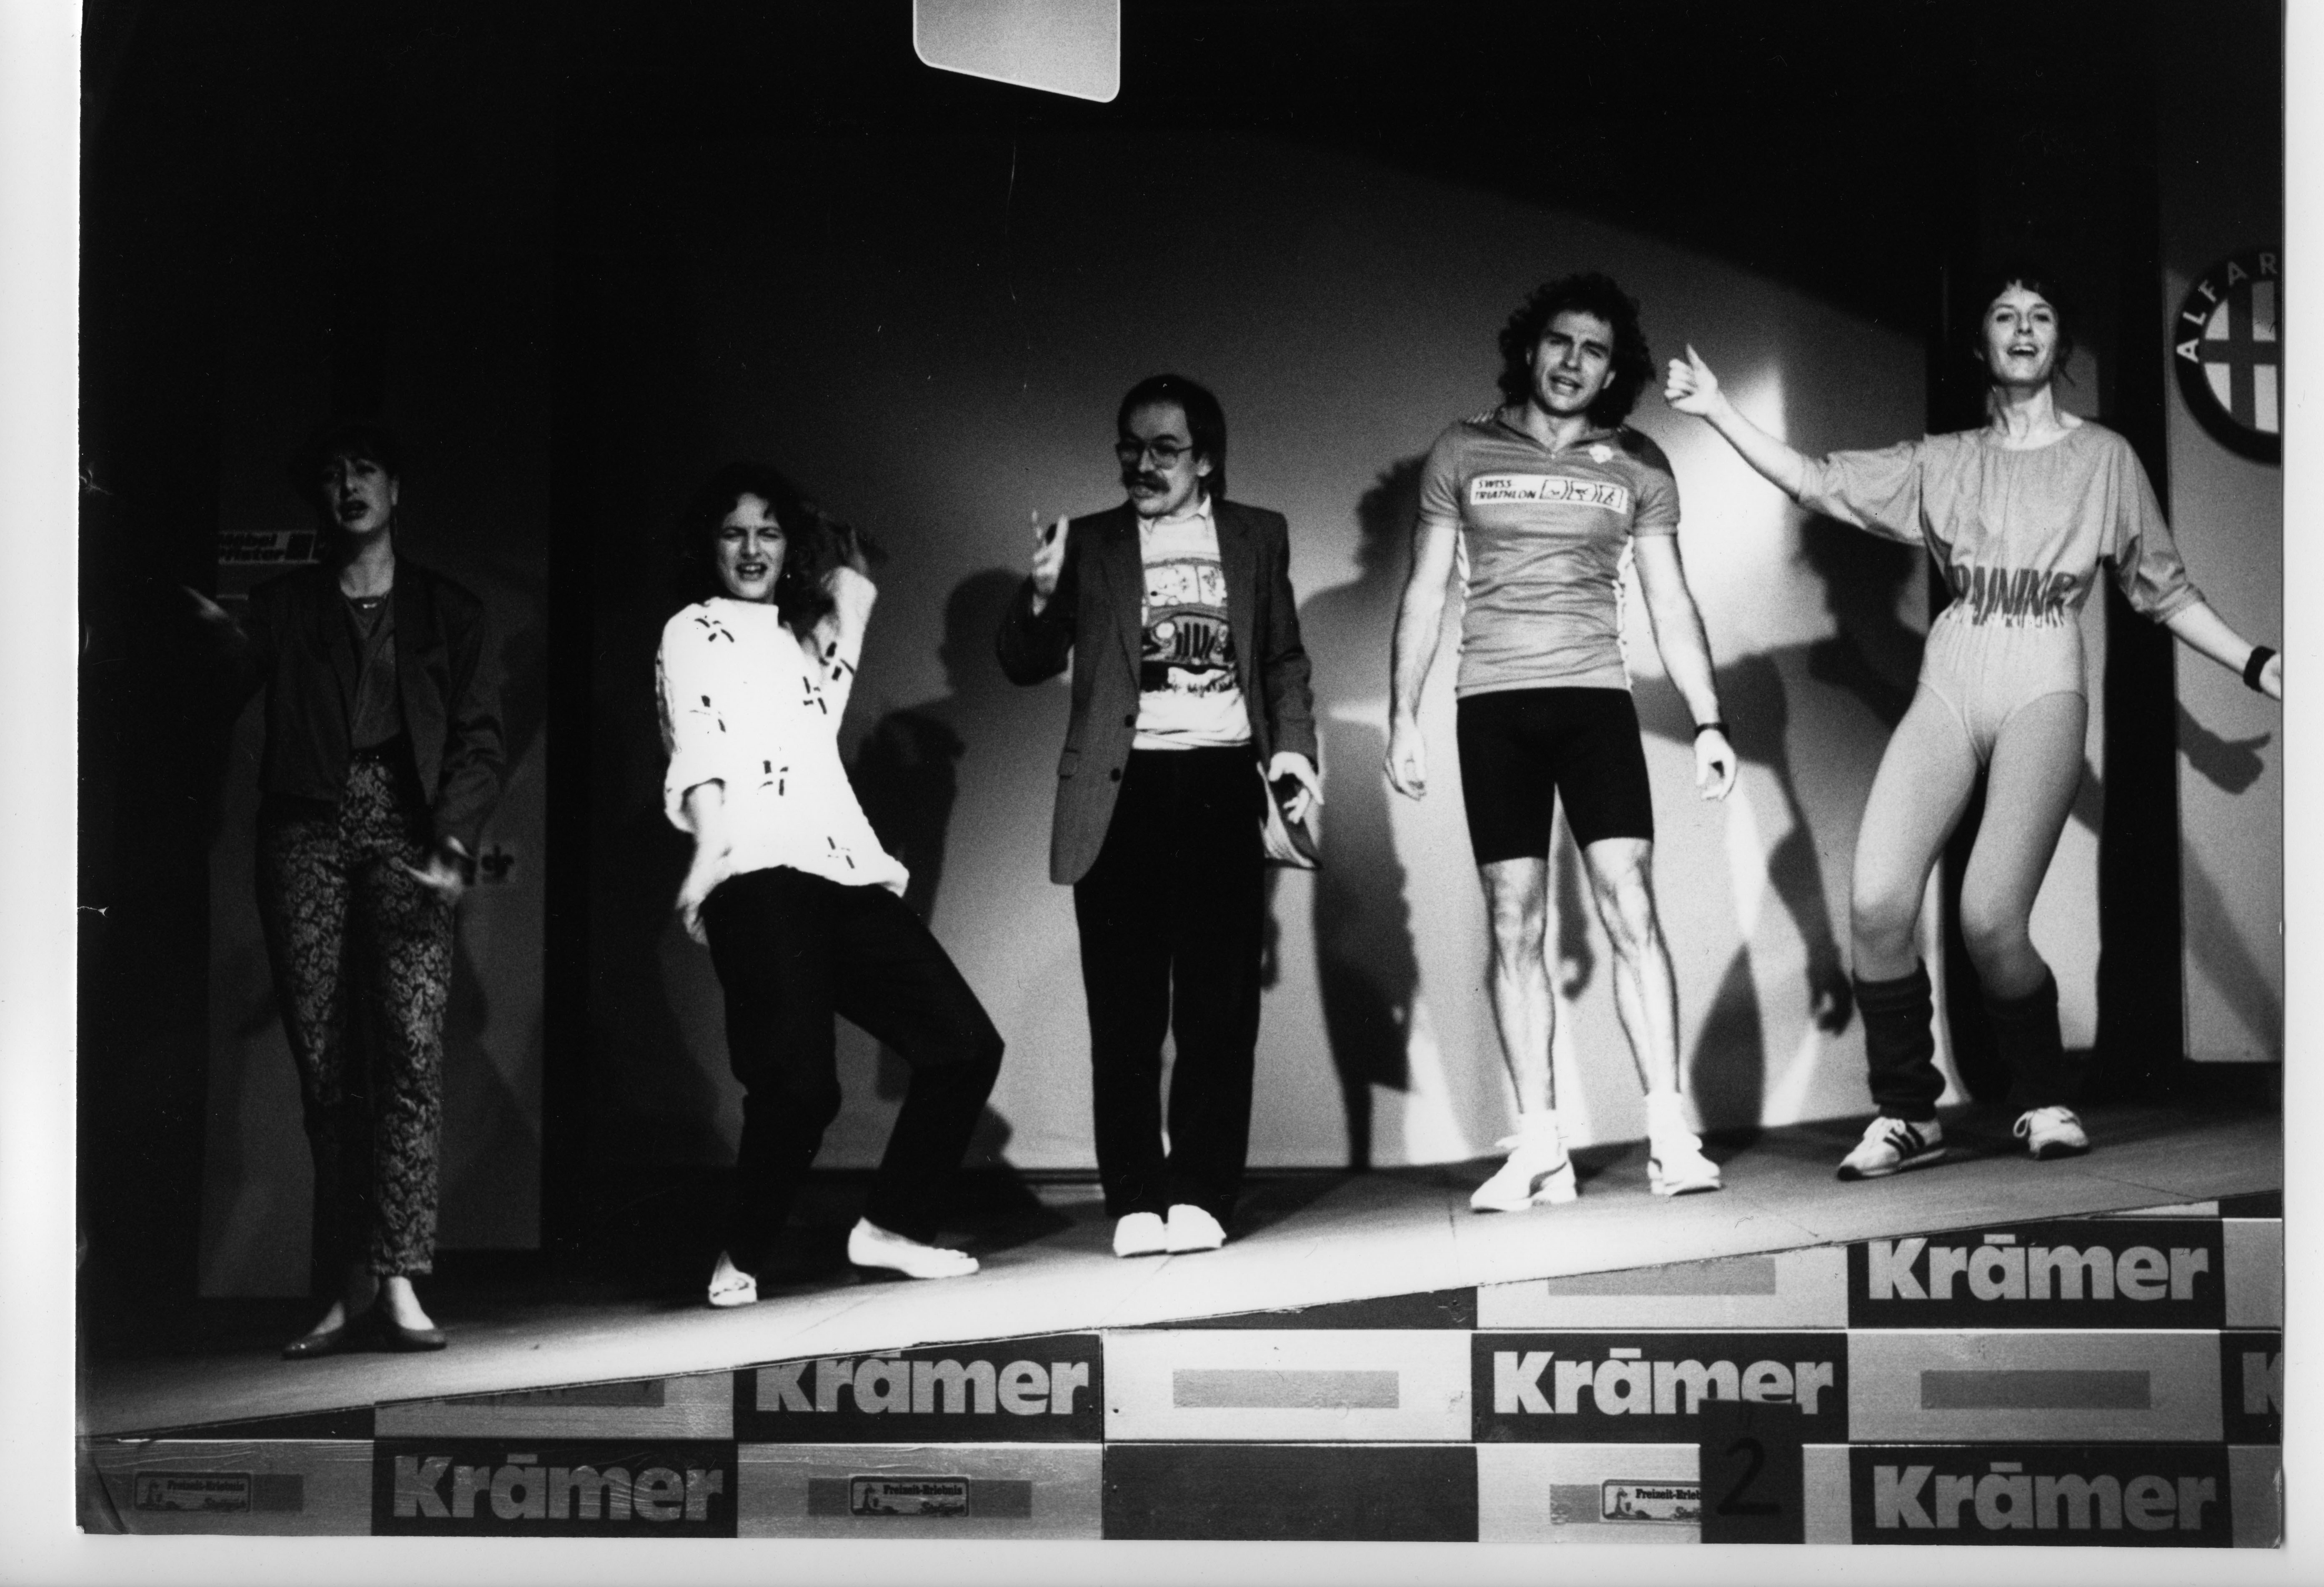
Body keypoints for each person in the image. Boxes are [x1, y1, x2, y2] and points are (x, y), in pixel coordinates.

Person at [1664, 266, 2283, 1178]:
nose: (2023, 328)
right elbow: (1816, 480)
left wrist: (2259, 664)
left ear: (2059, 343)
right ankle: (1908, 1114)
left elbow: (2164, 590)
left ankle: (2042, 1097)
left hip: (2042, 683)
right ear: (1982, 343)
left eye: (2041, 315)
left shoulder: (2105, 458)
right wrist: (1719, 410)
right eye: (2004, 315)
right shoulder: (1942, 461)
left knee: (1990, 917)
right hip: (1950, 680)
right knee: (1876, 905)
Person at [1387, 273, 1735, 1211]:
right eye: (1559, 341)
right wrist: (1402, 717)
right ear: (1529, 347)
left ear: (1613, 370)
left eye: (1594, 349)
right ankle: (1540, 1146)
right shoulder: (1461, 448)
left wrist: (1708, 719)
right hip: (1492, 706)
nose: (1572, 362)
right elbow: (1424, 592)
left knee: (1631, 906)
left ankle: (1670, 1135)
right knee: (1514, 921)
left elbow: (1670, 601)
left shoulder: (1638, 463)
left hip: (1593, 703)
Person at [192, 422, 504, 1357]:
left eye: (364, 468)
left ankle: (398, 1279)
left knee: (409, 1057)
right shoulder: (283, 605)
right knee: (328, 1071)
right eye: (331, 474)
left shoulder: (448, 610)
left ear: (395, 490)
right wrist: (216, 643)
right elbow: (221, 694)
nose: (348, 484)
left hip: (409, 831)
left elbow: (478, 740)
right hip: (305, 832)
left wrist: (453, 840)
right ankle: (346, 1283)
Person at [659, 465, 1005, 1306]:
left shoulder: (791, 638)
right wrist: (710, 847)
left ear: (790, 547)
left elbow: (821, 720)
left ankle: (890, 1228)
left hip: (839, 870)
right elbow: (698, 744)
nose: (752, 549)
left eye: (768, 533)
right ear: (710, 546)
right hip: (754, 872)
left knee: (963, 1045)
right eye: (734, 533)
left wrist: (850, 597)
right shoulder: (692, 629)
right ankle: (741, 1253)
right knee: (801, 1088)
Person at [998, 374, 1318, 1258]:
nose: (1142, 464)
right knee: (1125, 1010)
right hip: (1120, 789)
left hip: (1220, 780)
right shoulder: (1090, 542)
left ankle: (1203, 1193)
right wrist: (1040, 594)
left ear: (1205, 458)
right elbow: (1023, 662)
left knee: (1218, 1010)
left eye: (1164, 450)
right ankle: (1136, 1196)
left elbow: (1282, 659)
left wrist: (1294, 749)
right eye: (1130, 448)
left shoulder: (1257, 534)